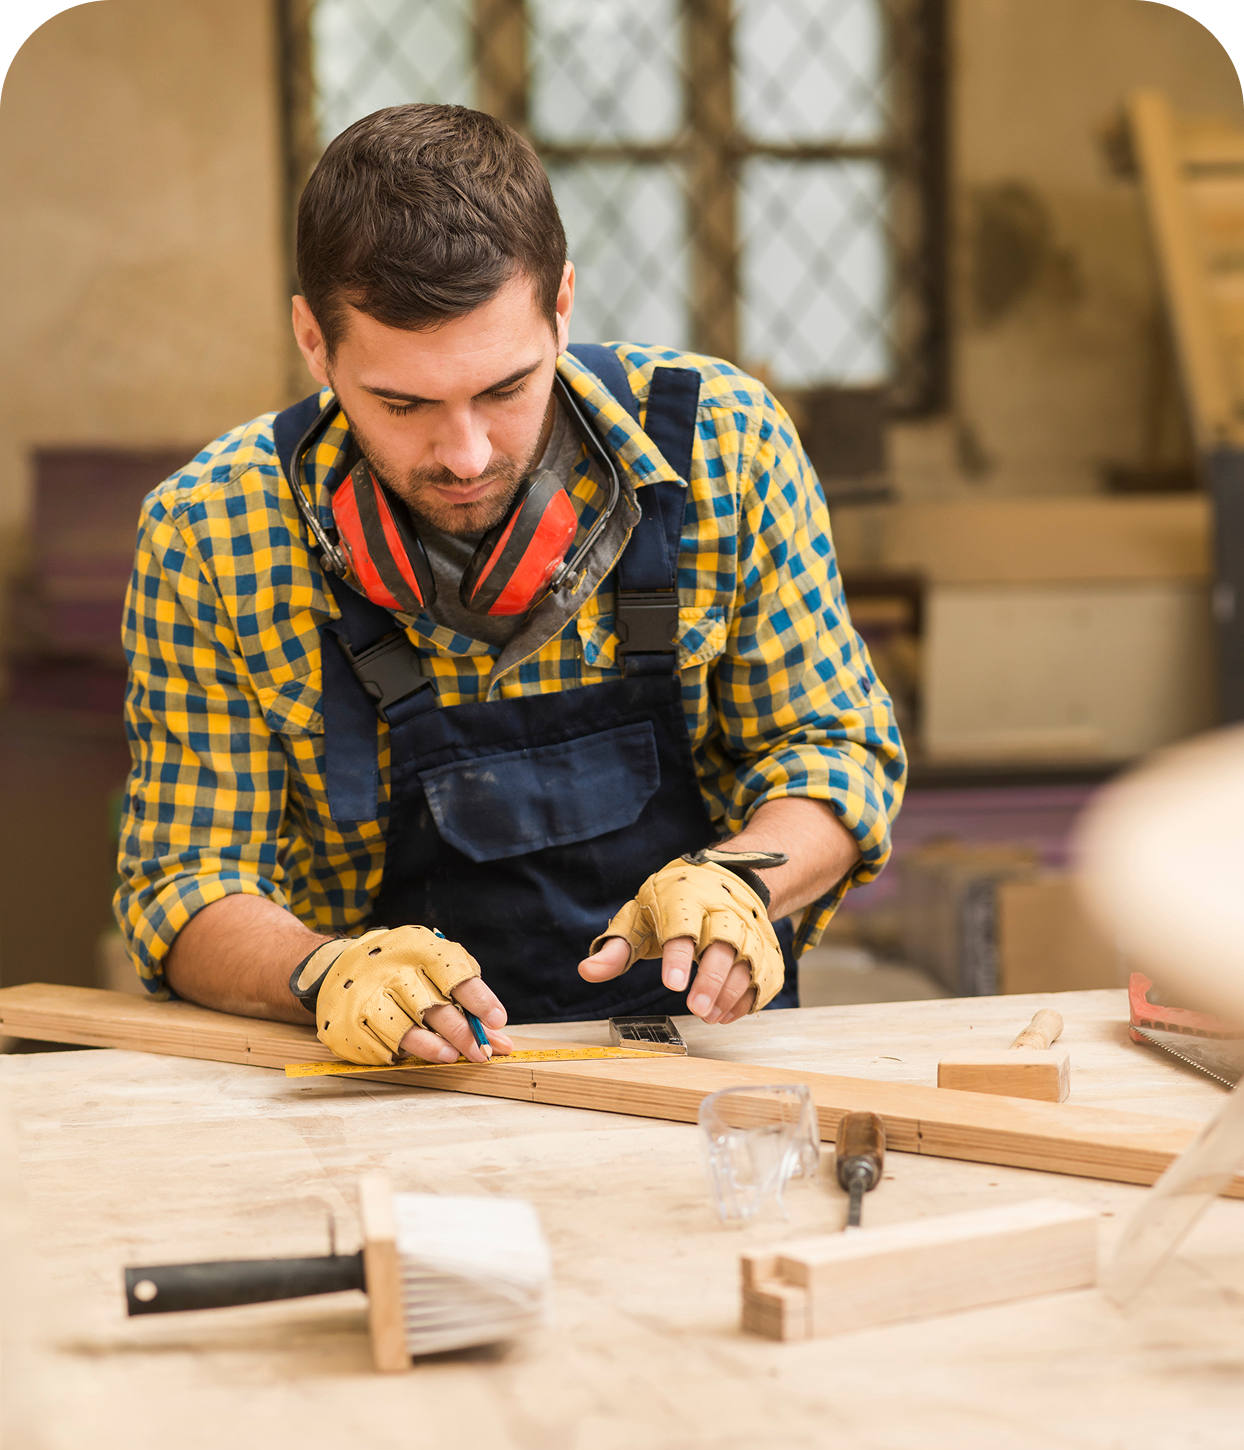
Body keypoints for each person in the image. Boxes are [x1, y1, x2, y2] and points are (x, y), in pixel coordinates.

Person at [115, 104, 905, 1068]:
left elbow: (834, 751)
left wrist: (740, 883)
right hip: (390, 1091)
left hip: (700, 1073)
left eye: (504, 389)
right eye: (401, 403)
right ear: (314, 342)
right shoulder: (212, 533)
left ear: (561, 305)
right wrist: (324, 972)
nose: (465, 454)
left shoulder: (722, 446)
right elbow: (186, 884)